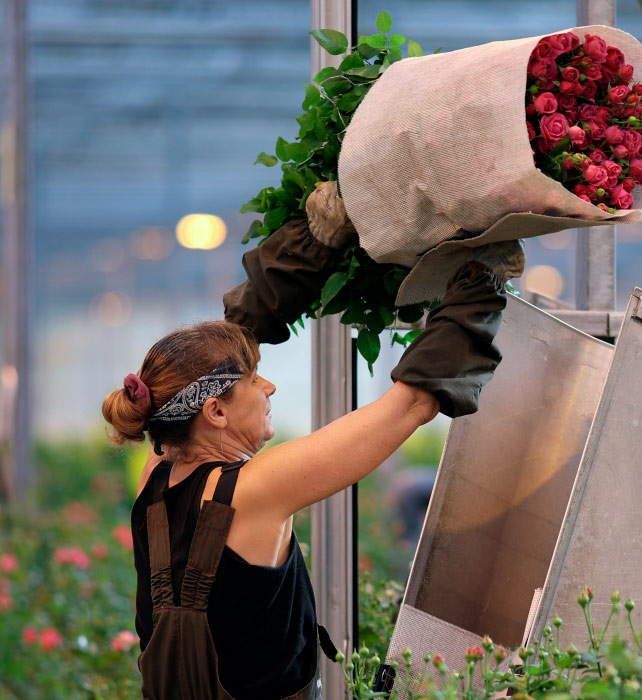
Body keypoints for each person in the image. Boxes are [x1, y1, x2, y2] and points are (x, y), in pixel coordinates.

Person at [101, 181, 524, 700]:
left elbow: (215, 353)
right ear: (213, 411)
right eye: (253, 381)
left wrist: (314, 245)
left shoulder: (158, 473)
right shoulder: (253, 489)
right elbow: (411, 403)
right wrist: (481, 285)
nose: (269, 385)